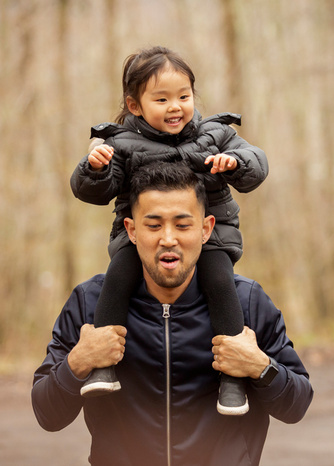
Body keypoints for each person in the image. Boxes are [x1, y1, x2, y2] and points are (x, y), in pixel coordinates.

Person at [32, 161, 313, 465]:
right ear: (132, 230)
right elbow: (48, 414)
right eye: (153, 225)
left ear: (206, 229)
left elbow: (296, 406)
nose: (168, 239)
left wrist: (260, 367)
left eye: (182, 225)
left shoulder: (246, 302)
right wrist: (79, 362)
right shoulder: (90, 303)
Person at [70, 46, 268, 414]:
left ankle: (233, 379)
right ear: (135, 105)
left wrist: (235, 162)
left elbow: (256, 166)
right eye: (161, 99)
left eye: (183, 96)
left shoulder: (216, 133)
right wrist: (94, 169)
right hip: (140, 241)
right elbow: (93, 191)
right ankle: (103, 365)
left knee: (221, 284)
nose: (175, 106)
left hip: (212, 236)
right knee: (118, 277)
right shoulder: (120, 143)